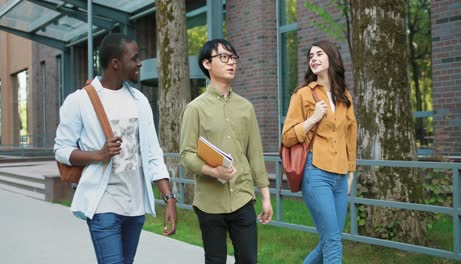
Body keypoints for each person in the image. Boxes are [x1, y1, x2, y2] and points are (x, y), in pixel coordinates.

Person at [54, 33, 177, 264]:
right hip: (103, 203)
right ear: (116, 64)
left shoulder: (139, 100)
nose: (140, 62)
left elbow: (153, 153)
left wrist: (169, 197)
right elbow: (61, 149)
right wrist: (98, 155)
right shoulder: (80, 100)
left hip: (135, 206)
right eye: (135, 58)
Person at [179, 39, 273, 264]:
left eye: (233, 58)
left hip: (242, 197)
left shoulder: (246, 108)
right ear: (207, 64)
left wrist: (266, 197)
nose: (231, 63)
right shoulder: (195, 109)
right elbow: (186, 154)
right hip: (210, 202)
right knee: (215, 260)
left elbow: (255, 154)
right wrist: (214, 172)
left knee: (249, 259)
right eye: (224, 57)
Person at [282, 40, 357, 264]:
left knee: (329, 240)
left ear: (332, 58)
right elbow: (287, 136)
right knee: (333, 239)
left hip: (341, 175)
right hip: (316, 172)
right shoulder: (303, 94)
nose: (313, 58)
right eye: (310, 56)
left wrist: (351, 171)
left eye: (319, 54)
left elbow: (350, 135)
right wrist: (313, 118)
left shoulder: (345, 95)